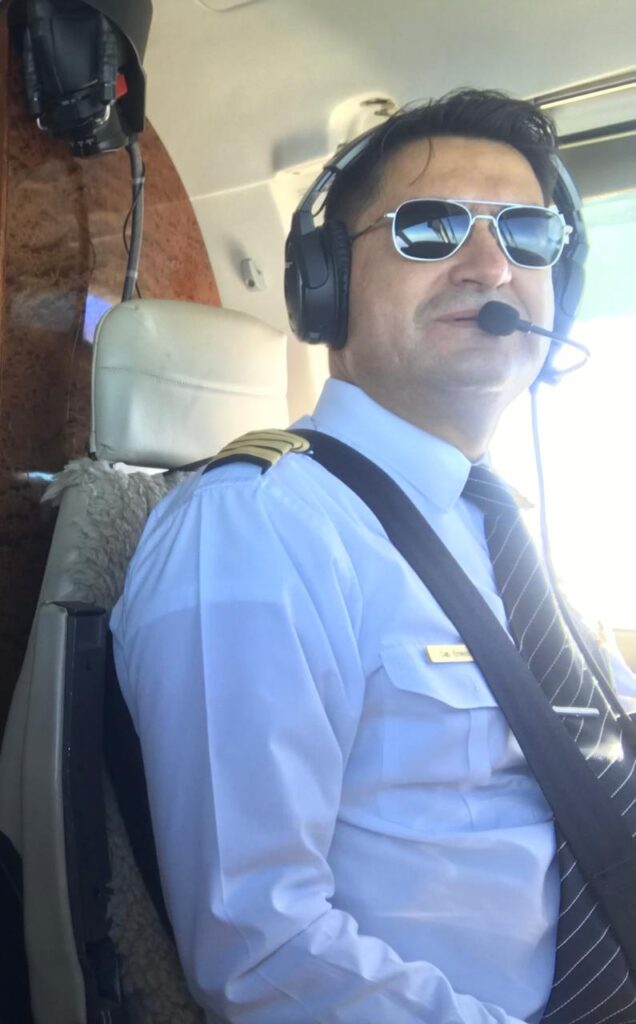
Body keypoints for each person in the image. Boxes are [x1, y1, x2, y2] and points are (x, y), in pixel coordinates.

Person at [110, 89, 636, 1023]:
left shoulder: (497, 526)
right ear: (326, 282)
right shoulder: (259, 530)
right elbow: (260, 950)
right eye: (431, 228)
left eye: (528, 235)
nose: (492, 265)